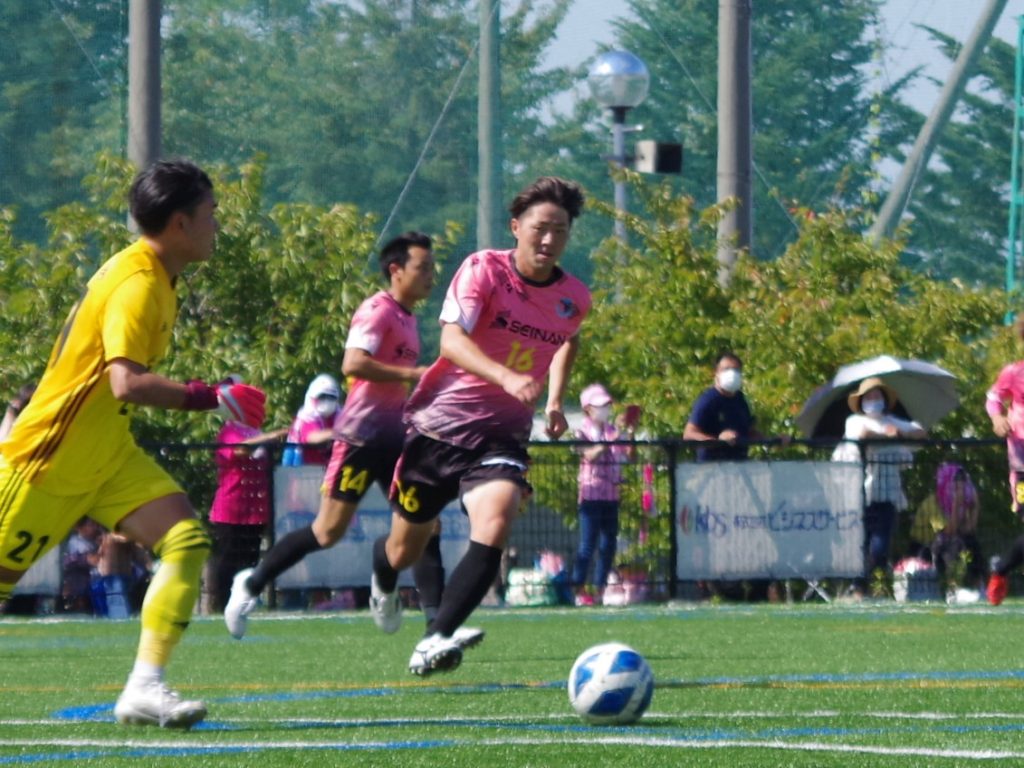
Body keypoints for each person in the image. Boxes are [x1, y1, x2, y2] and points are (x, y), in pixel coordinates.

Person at [0, 158, 266, 729]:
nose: (217, 223)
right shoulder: (138, 282)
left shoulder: (158, 276)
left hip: (107, 454)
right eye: (211, 212)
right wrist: (210, 397)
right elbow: (126, 381)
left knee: (185, 541)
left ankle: (145, 688)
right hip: (48, 459)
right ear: (179, 223)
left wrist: (212, 395)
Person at [368, 176, 591, 677]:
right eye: (539, 227)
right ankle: (382, 575)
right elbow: (451, 342)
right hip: (438, 429)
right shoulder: (484, 270)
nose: (549, 239)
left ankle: (435, 638)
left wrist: (555, 399)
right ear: (516, 227)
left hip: (501, 436)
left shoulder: (574, 296)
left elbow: (568, 338)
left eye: (560, 230)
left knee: (498, 516)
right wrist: (507, 376)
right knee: (404, 547)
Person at [225, 232, 473, 645]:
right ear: (396, 270)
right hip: (359, 440)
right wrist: (413, 374)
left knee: (425, 524)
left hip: (396, 441)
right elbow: (353, 363)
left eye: (433, 268)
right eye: (423, 267)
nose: (432, 275)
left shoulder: (409, 318)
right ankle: (250, 585)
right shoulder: (377, 310)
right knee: (328, 532)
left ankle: (437, 627)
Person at [833, 377, 926, 595]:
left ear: (884, 399)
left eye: (877, 395)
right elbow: (862, 436)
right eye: (869, 396)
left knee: (880, 546)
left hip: (888, 493)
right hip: (861, 493)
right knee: (860, 542)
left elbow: (921, 433)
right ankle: (858, 587)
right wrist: (888, 435)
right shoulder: (855, 421)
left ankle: (867, 584)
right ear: (861, 401)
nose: (873, 399)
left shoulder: (894, 422)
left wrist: (900, 434)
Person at [206, 379, 285, 613]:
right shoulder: (229, 431)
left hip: (255, 509)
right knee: (228, 559)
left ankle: (243, 602)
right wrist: (271, 437)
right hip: (232, 507)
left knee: (250, 559)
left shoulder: (255, 431)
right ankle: (220, 605)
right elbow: (240, 449)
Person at [571, 383, 636, 606]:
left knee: (609, 545)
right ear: (587, 408)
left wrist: (629, 433)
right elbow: (590, 455)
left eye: (607, 405)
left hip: (611, 494)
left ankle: (599, 589)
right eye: (599, 406)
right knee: (587, 545)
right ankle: (578, 588)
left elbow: (629, 456)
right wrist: (611, 440)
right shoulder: (581, 432)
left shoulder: (612, 431)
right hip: (590, 495)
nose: (605, 409)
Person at [908, 462, 984, 591]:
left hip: (945, 542)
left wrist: (975, 507)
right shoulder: (933, 503)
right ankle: (951, 586)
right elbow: (949, 531)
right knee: (953, 544)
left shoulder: (962, 504)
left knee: (970, 541)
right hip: (924, 548)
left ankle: (978, 585)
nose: (960, 489)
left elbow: (968, 530)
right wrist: (956, 505)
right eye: (956, 485)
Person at [684, 352, 768, 461]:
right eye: (726, 369)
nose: (732, 374)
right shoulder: (708, 400)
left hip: (740, 465)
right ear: (716, 373)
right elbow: (689, 434)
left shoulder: (741, 400)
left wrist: (772, 440)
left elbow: (748, 432)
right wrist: (718, 440)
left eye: (736, 370)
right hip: (712, 466)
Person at [282, 374, 343, 466]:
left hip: (325, 467)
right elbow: (312, 437)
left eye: (331, 397)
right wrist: (338, 433)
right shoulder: (305, 417)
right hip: (300, 468)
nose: (327, 400)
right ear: (313, 397)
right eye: (322, 396)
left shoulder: (338, 415)